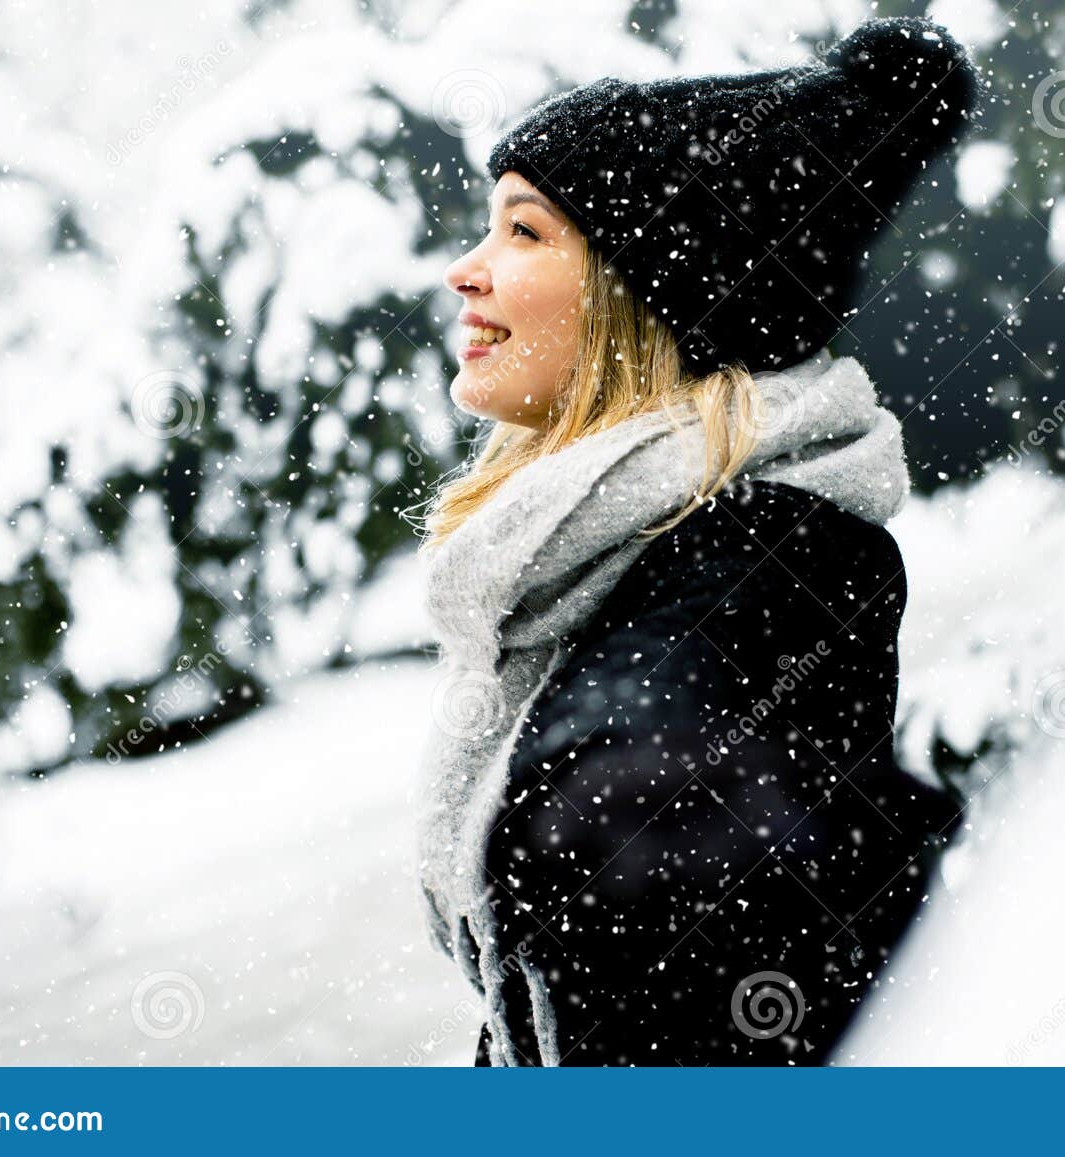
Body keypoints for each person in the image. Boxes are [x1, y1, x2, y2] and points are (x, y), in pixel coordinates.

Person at [412, 14, 986, 1066]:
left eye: (524, 231)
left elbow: (667, 743)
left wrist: (618, 800)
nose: (467, 269)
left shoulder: (777, 548)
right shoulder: (605, 544)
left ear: (652, 299)